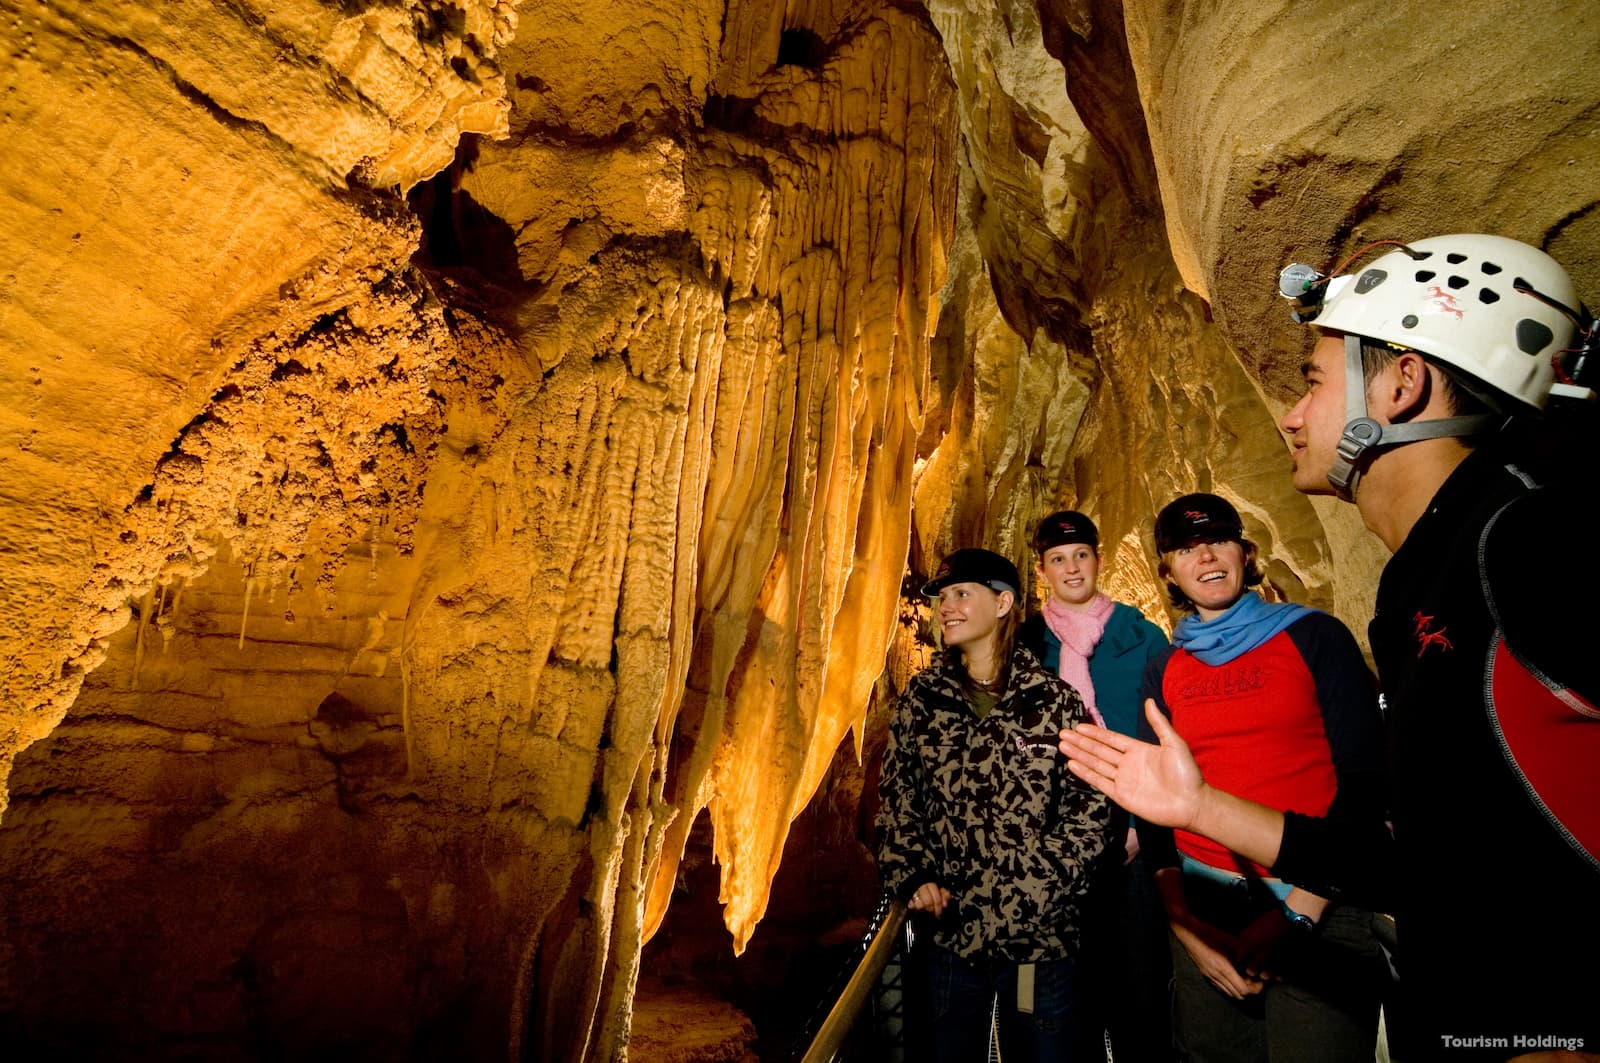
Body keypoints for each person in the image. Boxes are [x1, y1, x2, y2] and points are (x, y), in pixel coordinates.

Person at [1060, 235, 1600, 1061]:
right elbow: (1421, 859)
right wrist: (1199, 808)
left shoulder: (1531, 538)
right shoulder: (1420, 577)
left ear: (1402, 384)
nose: (1291, 414)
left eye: (1313, 382)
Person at [1138, 492, 1388, 1062]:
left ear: (1245, 554)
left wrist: (1298, 914)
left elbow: (1366, 782)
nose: (1206, 557)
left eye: (1217, 541)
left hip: (1318, 903)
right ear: (1169, 572)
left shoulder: (1314, 637)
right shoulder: (1165, 668)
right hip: (1206, 908)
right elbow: (1153, 801)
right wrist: (1185, 928)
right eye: (1186, 548)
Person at [876, 547, 1109, 1062]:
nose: (946, 607)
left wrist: (1040, 887)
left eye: (961, 594)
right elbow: (898, 799)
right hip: (951, 937)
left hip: (1037, 944)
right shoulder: (923, 701)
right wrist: (913, 875)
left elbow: (1089, 810)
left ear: (1003, 604)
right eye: (941, 598)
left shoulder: (1054, 703)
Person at [1019, 510, 1175, 1061]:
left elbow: (1166, 734)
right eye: (1058, 559)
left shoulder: (1140, 634)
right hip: (1055, 845)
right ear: (1043, 571)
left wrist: (1140, 827)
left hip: (1131, 838)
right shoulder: (1027, 644)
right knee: (1067, 1000)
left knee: (1140, 991)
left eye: (1080, 555)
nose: (1071, 568)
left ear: (1098, 560)